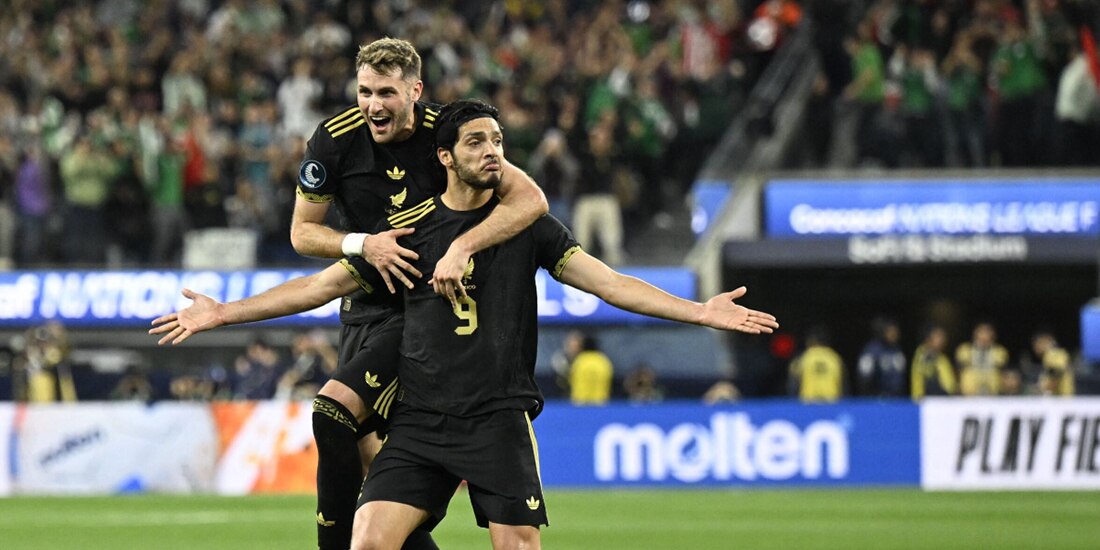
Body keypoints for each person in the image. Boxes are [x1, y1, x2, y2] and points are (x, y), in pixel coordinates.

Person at [150, 99, 778, 549]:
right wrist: (222, 312)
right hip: (422, 420)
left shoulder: (529, 227)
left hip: (496, 417)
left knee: (518, 545)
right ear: (445, 157)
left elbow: (611, 283)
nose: (492, 152)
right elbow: (317, 287)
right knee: (369, 540)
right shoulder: (408, 234)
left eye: (498, 141)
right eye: (476, 142)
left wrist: (700, 311)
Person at [289, 38, 547, 550]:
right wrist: (364, 243)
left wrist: (462, 247)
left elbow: (531, 200)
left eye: (386, 92)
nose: (373, 105)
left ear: (415, 91)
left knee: (333, 411)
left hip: (420, 309)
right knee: (376, 489)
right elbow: (302, 234)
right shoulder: (335, 140)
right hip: (364, 302)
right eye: (364, 92)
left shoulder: (447, 133)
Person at [788, 326, 845, 403]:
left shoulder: (802, 358)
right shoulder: (835, 358)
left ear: (810, 341)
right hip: (831, 402)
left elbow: (793, 384)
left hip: (808, 402)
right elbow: (843, 384)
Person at [857, 317, 907, 398]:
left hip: (896, 398)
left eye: (895, 331)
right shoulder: (872, 351)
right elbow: (864, 377)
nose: (894, 334)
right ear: (883, 332)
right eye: (891, 331)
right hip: (877, 398)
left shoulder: (897, 350)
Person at [955, 322, 1009, 396]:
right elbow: (958, 369)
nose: (984, 335)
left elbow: (1003, 369)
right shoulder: (965, 349)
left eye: (987, 332)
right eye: (981, 332)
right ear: (975, 333)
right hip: (969, 392)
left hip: (992, 392)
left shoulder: (1000, 351)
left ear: (993, 334)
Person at [911, 325, 957, 400]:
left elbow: (950, 384)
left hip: (944, 400)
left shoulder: (943, 359)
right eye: (938, 337)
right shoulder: (921, 357)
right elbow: (917, 380)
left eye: (943, 338)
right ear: (929, 339)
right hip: (926, 401)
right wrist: (918, 398)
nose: (942, 341)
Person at [568, 334, 614, 405]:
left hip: (580, 401)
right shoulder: (603, 361)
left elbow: (571, 379)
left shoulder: (579, 361)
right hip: (600, 402)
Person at [1032, 330, 1074, 396]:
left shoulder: (1052, 353)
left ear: (1046, 341)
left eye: (1037, 343)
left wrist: (1045, 389)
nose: (1035, 348)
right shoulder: (1056, 353)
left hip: (1060, 397)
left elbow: (1057, 373)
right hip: (1061, 397)